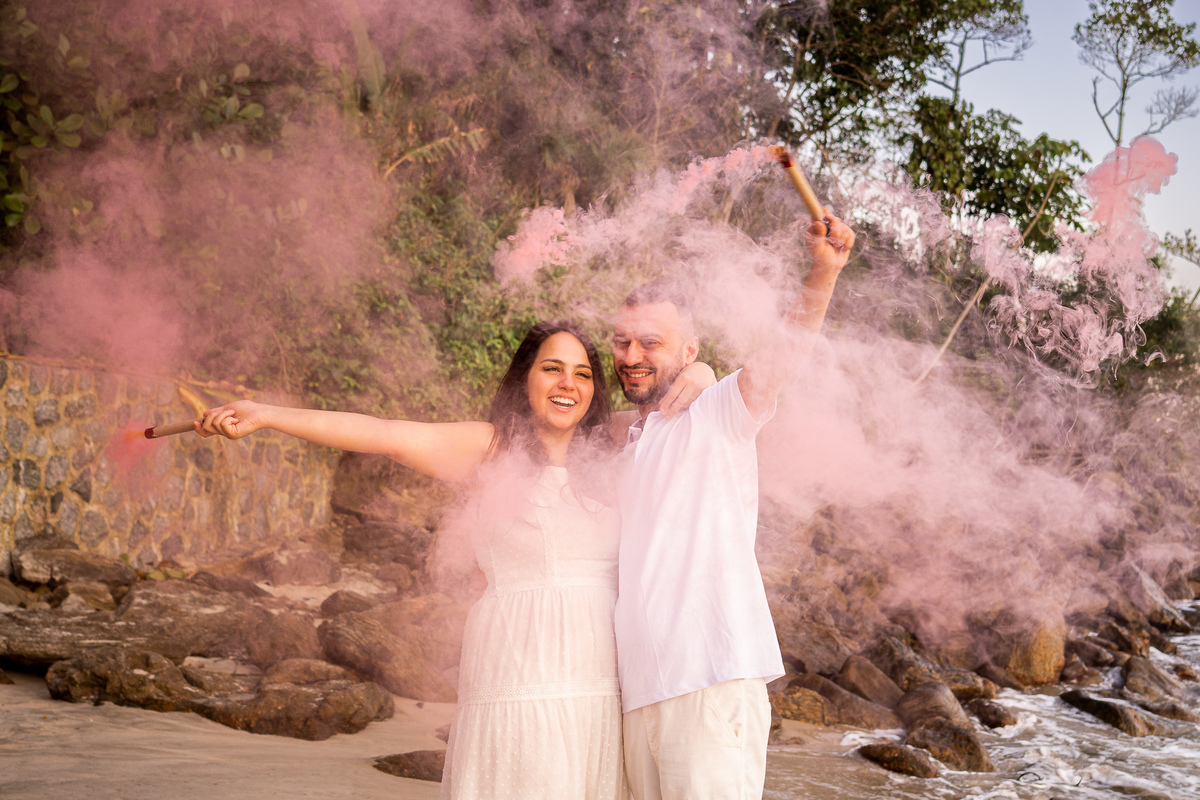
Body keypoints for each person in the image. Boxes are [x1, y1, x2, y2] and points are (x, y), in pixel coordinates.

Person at [194, 321, 715, 800]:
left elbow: (689, 408)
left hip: (599, 673)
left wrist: (701, 368)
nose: (568, 384)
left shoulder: (611, 444)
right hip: (515, 660)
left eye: (582, 374)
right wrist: (266, 416)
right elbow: (385, 433)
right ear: (524, 380)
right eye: (551, 368)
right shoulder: (490, 447)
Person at [611, 210, 855, 800]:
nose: (633, 354)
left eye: (652, 342)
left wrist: (822, 273)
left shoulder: (716, 412)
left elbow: (781, 357)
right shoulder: (625, 440)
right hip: (637, 692)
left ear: (688, 348)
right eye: (622, 342)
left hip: (710, 680)